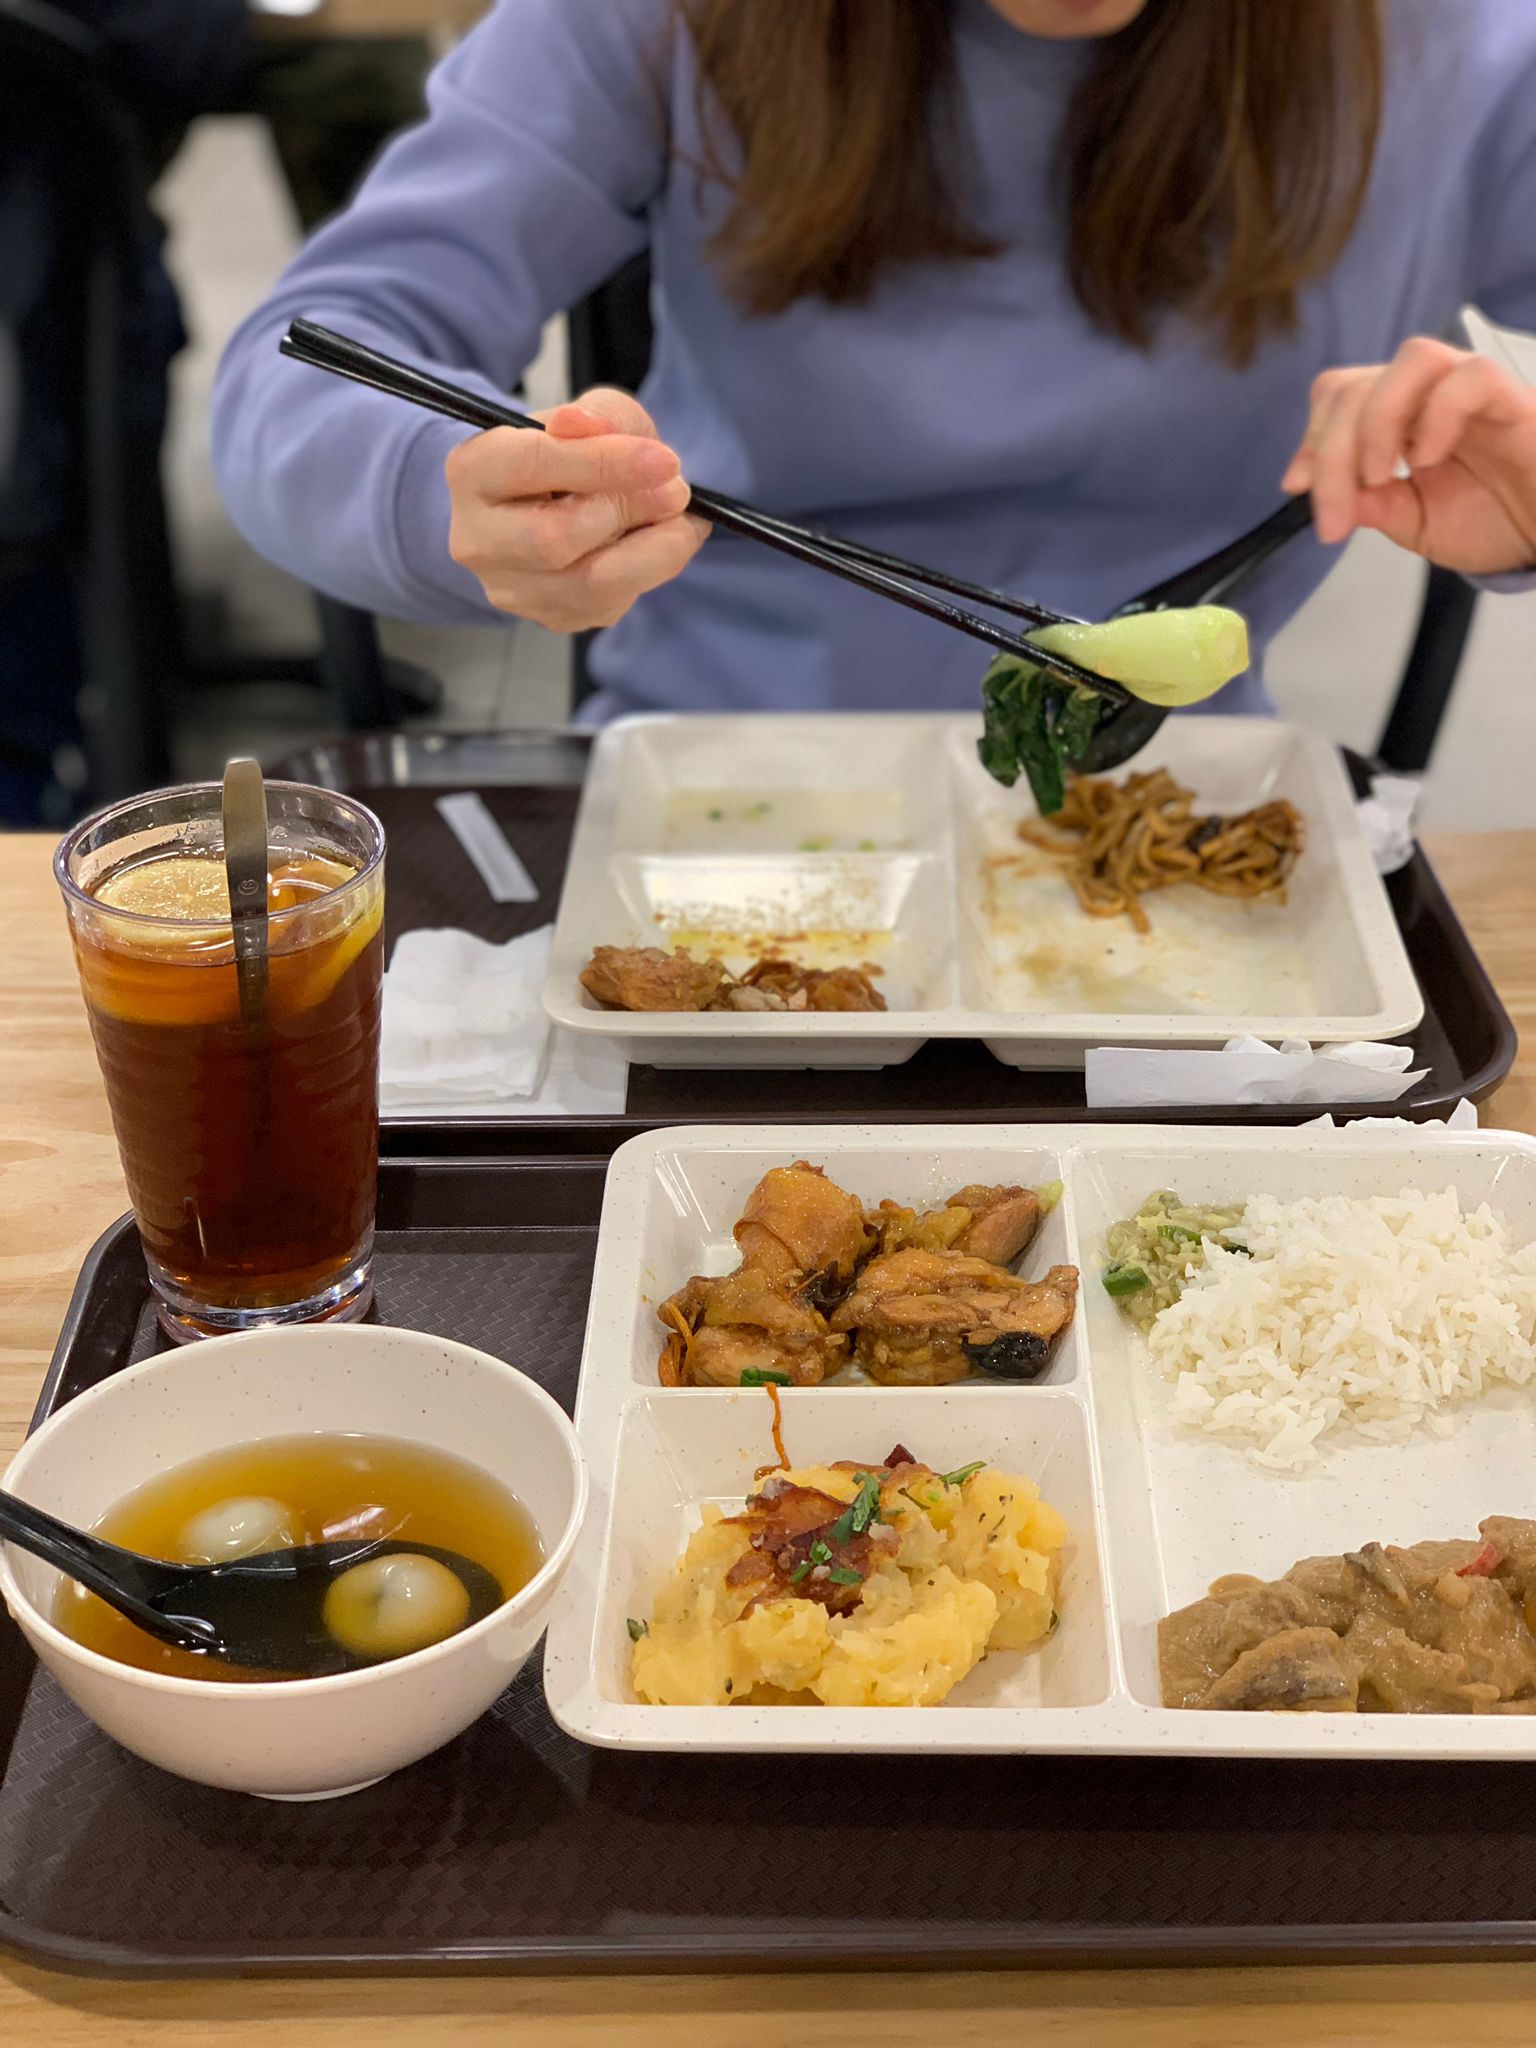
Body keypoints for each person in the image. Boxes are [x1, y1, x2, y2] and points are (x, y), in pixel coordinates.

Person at [214, 0, 1536, 726]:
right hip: (716, 786)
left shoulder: (1462, 47)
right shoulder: (651, 22)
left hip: (1189, 808)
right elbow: (298, 369)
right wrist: (446, 494)